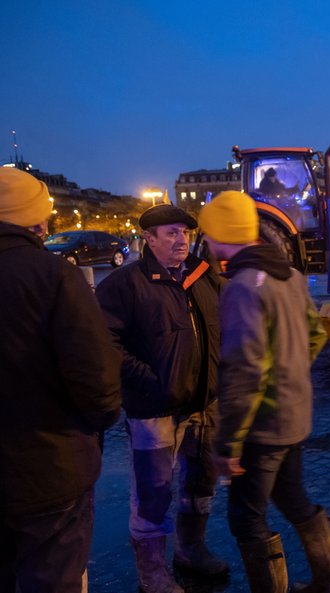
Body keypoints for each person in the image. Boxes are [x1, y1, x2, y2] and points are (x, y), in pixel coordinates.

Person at [198, 191, 330, 593]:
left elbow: (244, 371)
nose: (205, 241)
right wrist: (290, 373)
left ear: (223, 233)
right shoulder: (291, 276)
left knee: (246, 518)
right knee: (295, 500)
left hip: (261, 426)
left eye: (208, 233)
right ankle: (329, 584)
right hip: (294, 415)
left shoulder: (242, 286)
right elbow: (315, 335)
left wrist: (228, 444)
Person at [0, 168, 122, 593]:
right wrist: (93, 424)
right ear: (34, 218)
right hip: (48, 469)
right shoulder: (53, 276)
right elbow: (97, 382)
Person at [96, 203, 228, 593]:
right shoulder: (125, 283)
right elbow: (105, 341)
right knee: (153, 491)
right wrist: (149, 381)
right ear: (149, 239)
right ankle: (152, 571)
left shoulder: (203, 275)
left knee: (201, 481)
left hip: (204, 403)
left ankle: (190, 548)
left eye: (184, 232)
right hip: (154, 409)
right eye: (171, 233)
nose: (181, 240)